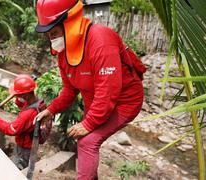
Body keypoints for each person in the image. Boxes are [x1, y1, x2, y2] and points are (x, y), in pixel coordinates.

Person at [34, 0, 144, 179]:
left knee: (87, 142)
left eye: (53, 33)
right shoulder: (64, 55)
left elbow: (108, 91)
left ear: (69, 23)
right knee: (85, 141)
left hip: (124, 102)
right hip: (96, 102)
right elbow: (69, 91)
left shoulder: (100, 39)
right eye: (48, 35)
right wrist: (50, 110)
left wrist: (88, 123)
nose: (51, 39)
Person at [0, 74, 46, 170]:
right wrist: (18, 96)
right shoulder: (37, 101)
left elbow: (11, 129)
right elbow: (23, 104)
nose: (16, 96)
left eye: (18, 94)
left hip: (24, 149)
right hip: (31, 143)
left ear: (26, 95)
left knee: (16, 170)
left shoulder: (28, 115)